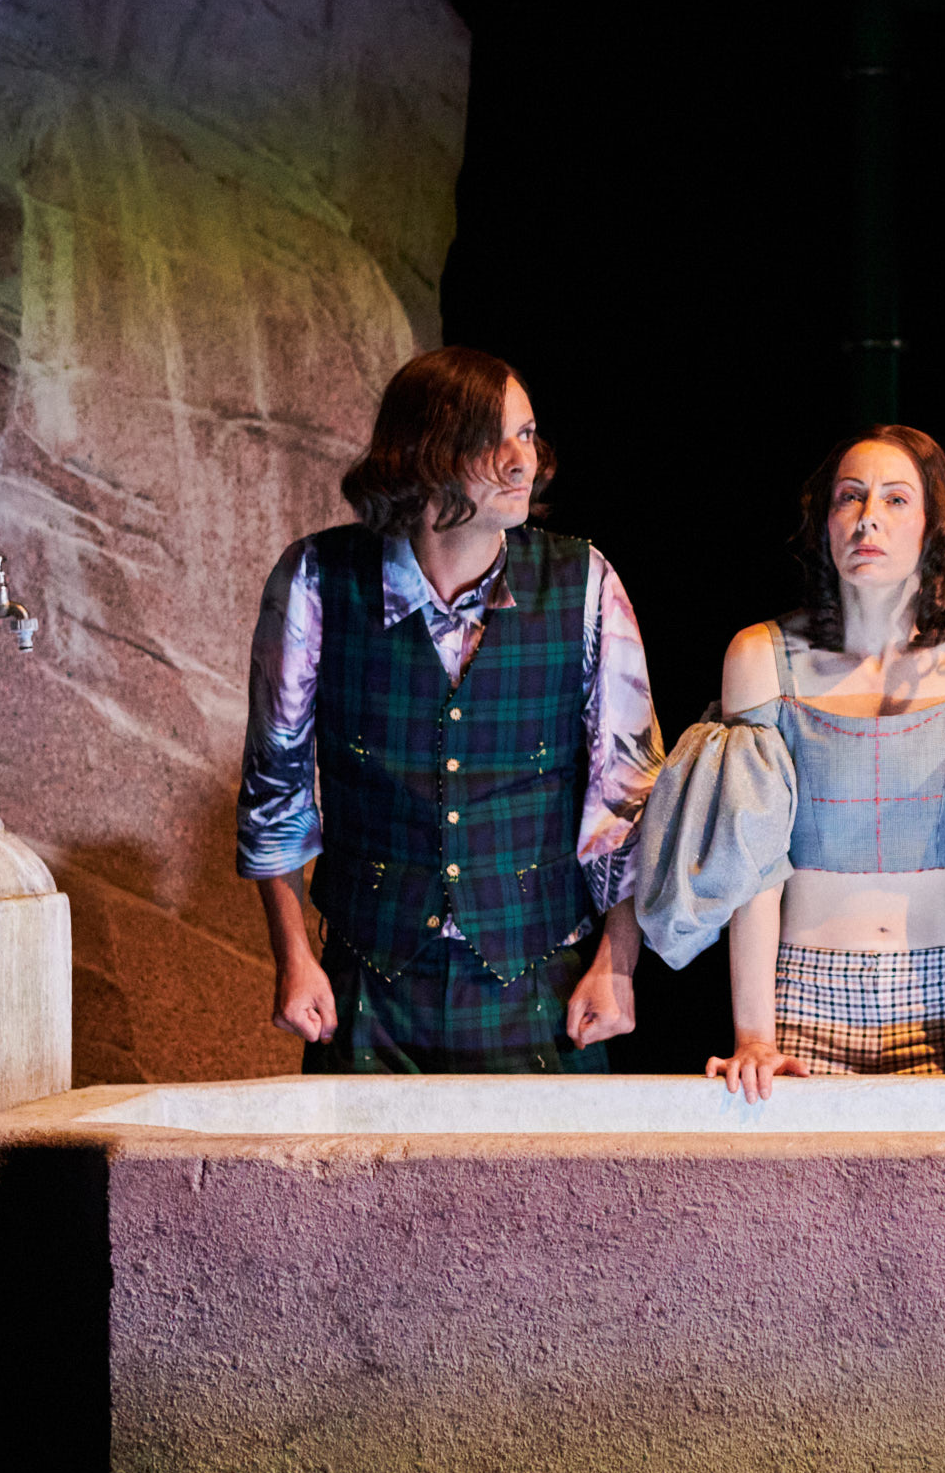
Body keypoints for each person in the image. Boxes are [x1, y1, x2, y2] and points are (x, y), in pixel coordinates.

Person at [632, 425, 945, 1102]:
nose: (867, 518)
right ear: (824, 520)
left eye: (896, 499)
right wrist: (755, 1037)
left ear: (935, 526)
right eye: (849, 497)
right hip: (803, 995)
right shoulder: (762, 657)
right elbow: (751, 857)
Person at [237, 348, 662, 1072]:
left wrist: (617, 963)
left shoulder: (584, 581)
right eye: (494, 439)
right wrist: (294, 955)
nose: (523, 461)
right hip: (368, 988)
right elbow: (274, 787)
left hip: (539, 986)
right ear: (425, 451)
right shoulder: (316, 579)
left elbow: (629, 798)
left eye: (527, 434)